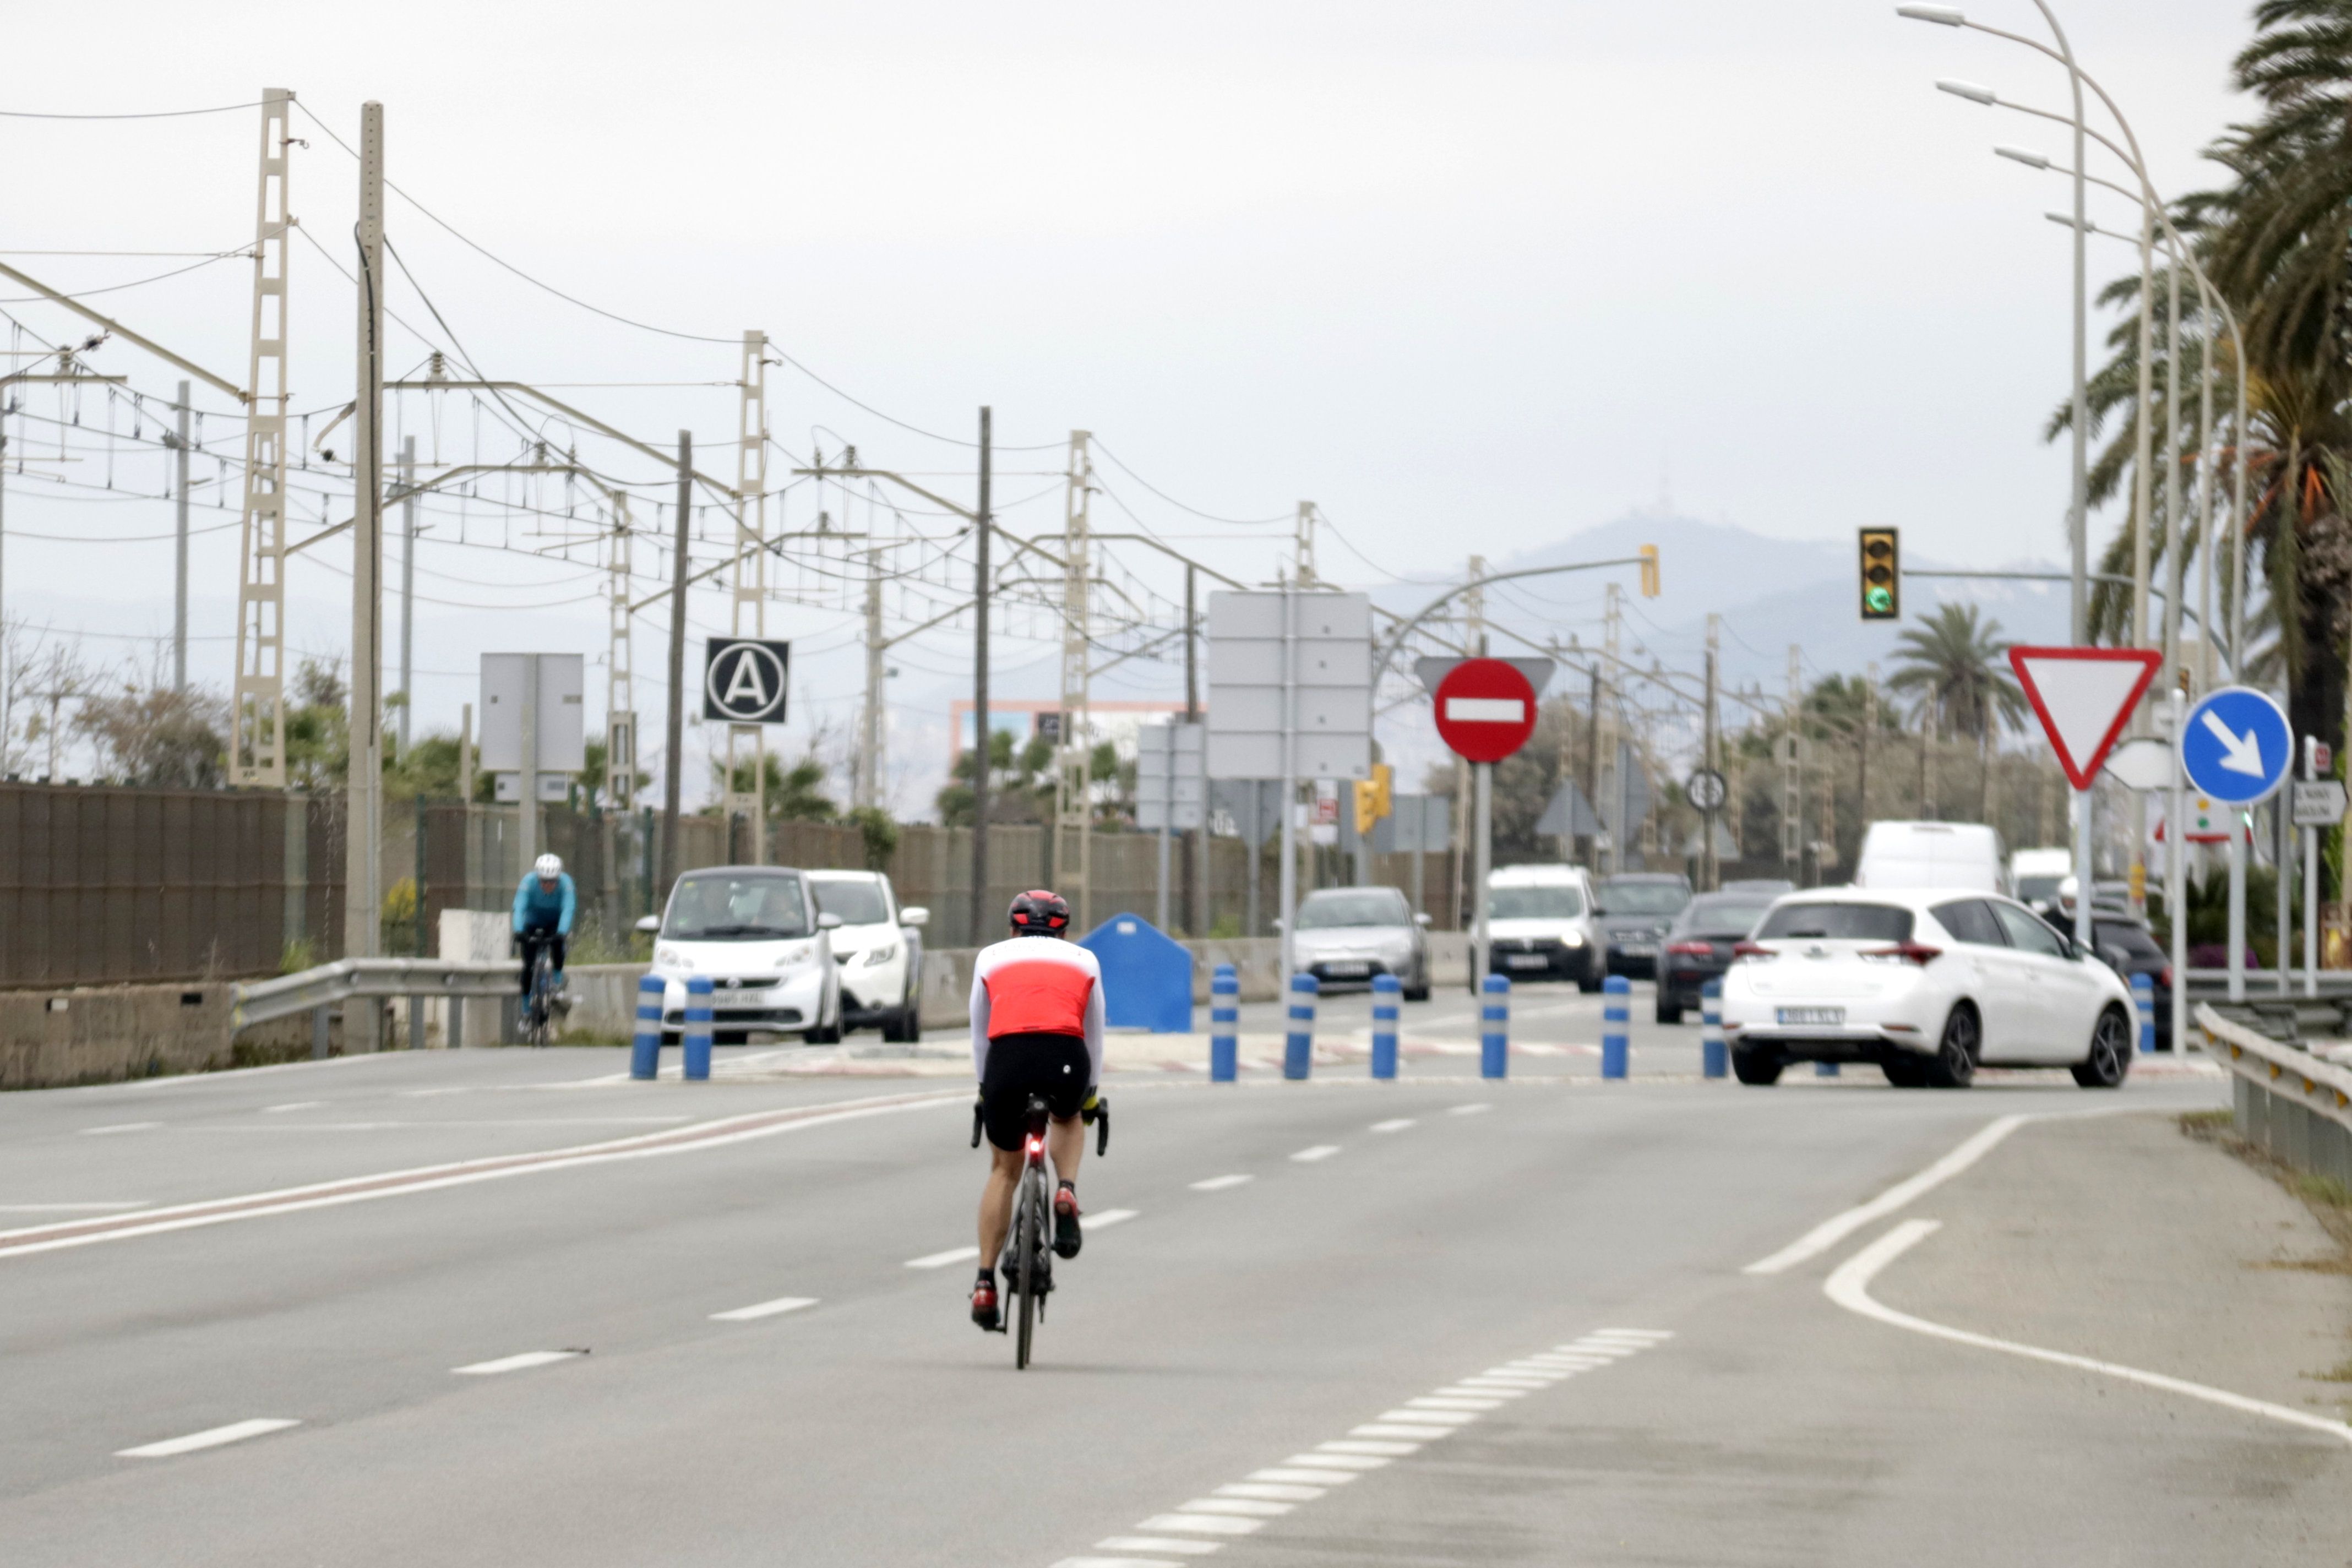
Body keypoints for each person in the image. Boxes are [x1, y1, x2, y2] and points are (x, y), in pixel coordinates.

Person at [967, 889, 1104, 1331]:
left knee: (1005, 1171)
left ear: (1013, 928)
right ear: (1064, 931)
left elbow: (980, 1032)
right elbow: (1094, 1034)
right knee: (1069, 1116)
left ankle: (986, 1281)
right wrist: (1090, 1093)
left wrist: (986, 1089)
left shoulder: (990, 957)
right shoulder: (1085, 960)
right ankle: (1066, 1189)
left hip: (1007, 1063)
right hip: (1065, 1058)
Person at [511, 853, 575, 1017]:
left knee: (558, 946)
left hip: (555, 922)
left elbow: (568, 909)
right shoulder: (528, 882)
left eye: (553, 881)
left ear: (558, 879)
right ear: (538, 878)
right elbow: (519, 908)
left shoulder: (566, 884)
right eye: (544, 881)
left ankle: (557, 980)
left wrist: (562, 932)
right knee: (528, 966)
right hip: (532, 922)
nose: (548, 885)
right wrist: (519, 931)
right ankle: (526, 1009)